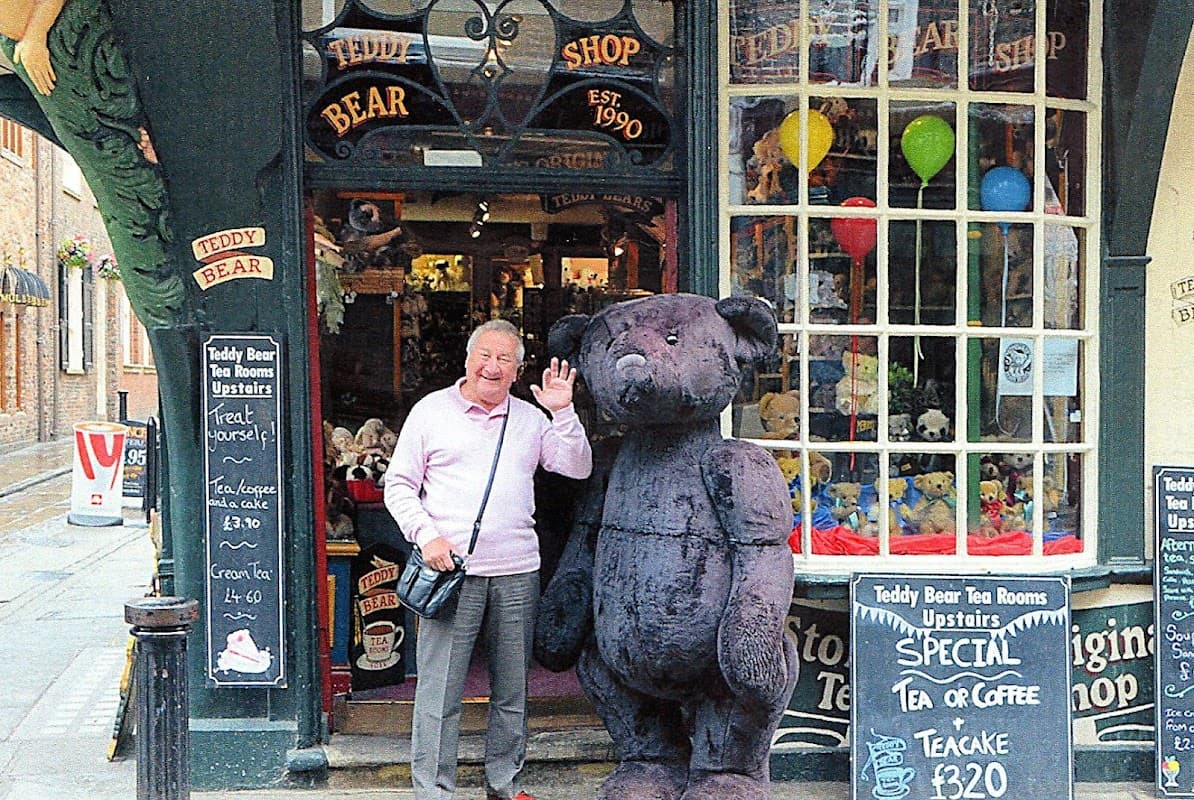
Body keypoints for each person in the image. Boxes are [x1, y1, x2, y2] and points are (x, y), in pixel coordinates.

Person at [384, 319, 593, 800]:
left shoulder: (530, 418)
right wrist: (427, 537)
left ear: (518, 371)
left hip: (518, 570)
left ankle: (504, 784)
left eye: (505, 359)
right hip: (448, 571)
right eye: (485, 355)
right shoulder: (431, 412)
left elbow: (577, 466)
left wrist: (563, 412)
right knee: (440, 692)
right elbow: (398, 485)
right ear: (467, 359)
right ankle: (435, 791)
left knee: (512, 691)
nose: (492, 367)